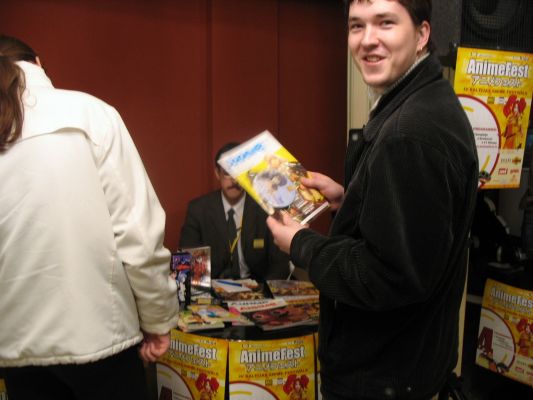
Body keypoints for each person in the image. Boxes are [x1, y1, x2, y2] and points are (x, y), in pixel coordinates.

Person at [267, 1, 479, 399]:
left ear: (422, 34)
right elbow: (417, 232)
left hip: (385, 378)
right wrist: (351, 199)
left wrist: (300, 244)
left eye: (385, 23)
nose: (367, 40)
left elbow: (387, 276)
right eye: (356, 26)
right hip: (407, 367)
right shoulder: (426, 99)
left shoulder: (409, 133)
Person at [0, 35, 179, 399]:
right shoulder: (89, 113)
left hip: (14, 347)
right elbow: (139, 237)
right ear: (37, 62)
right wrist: (158, 319)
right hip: (100, 338)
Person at [180, 142, 290, 280]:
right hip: (213, 286)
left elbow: (280, 264)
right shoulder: (198, 210)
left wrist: (264, 291)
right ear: (217, 174)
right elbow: (188, 266)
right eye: (227, 173)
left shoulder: (265, 208)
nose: (234, 180)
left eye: (240, 173)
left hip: (258, 287)